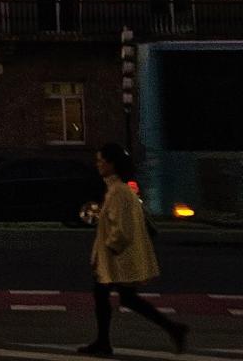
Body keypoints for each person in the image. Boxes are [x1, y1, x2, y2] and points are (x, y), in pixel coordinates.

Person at [78, 142, 187, 357]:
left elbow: (122, 231)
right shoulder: (118, 190)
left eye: (101, 161)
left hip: (116, 259)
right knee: (125, 298)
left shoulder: (118, 192)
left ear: (111, 164)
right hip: (117, 258)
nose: (98, 164)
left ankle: (103, 343)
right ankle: (172, 328)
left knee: (104, 297)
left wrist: (105, 251)